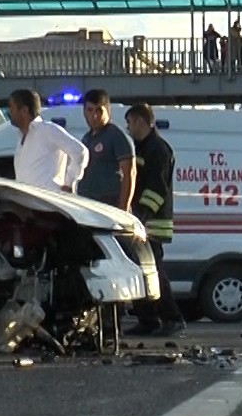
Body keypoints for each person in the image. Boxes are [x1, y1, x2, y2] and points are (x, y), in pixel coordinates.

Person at [125, 103, 186, 335]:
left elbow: (156, 189)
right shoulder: (140, 148)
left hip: (151, 223)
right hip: (140, 222)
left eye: (130, 122)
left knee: (154, 271)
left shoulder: (158, 149)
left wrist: (141, 215)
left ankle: (173, 319)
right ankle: (148, 319)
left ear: (140, 121)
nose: (128, 127)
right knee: (138, 270)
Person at [6, 88, 86, 194]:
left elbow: (80, 152)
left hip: (48, 205)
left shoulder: (48, 130)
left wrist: (69, 183)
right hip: (27, 204)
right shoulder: (21, 137)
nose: (9, 113)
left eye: (12, 108)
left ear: (24, 110)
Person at [76, 89, 135, 212]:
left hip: (109, 207)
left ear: (108, 109)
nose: (94, 115)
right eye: (90, 110)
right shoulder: (87, 138)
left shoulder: (115, 136)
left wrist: (123, 209)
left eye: (99, 110)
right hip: (89, 206)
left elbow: (130, 173)